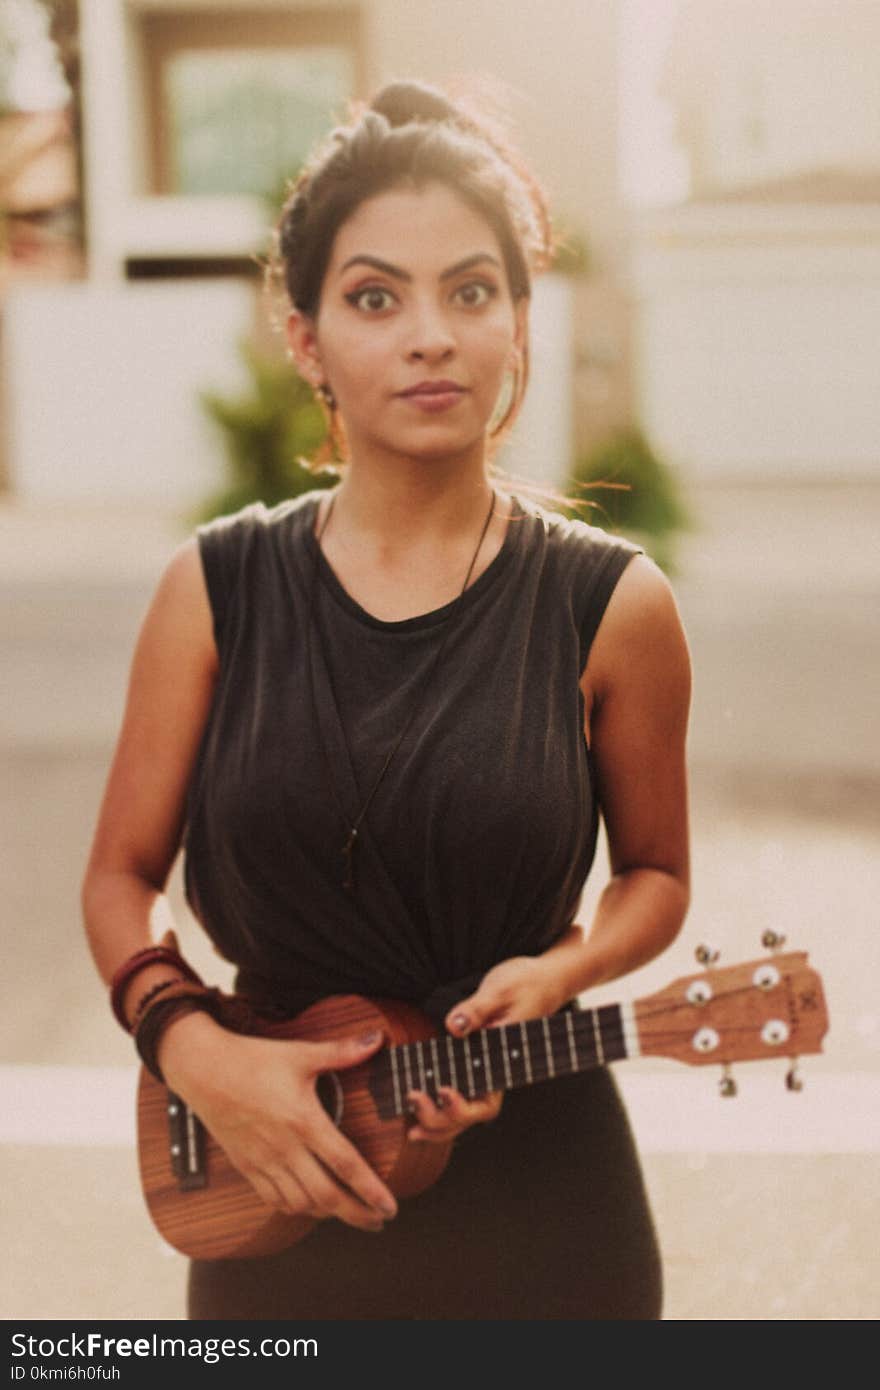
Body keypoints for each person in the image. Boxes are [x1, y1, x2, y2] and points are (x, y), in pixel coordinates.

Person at [81, 79, 691, 1321]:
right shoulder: (215, 587)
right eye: (375, 297)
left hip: (548, 1206)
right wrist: (195, 1054)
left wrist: (564, 966)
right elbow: (117, 875)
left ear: (519, 322)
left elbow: (657, 877)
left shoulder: (614, 605)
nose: (431, 335)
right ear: (304, 337)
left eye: (472, 291)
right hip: (269, 1192)